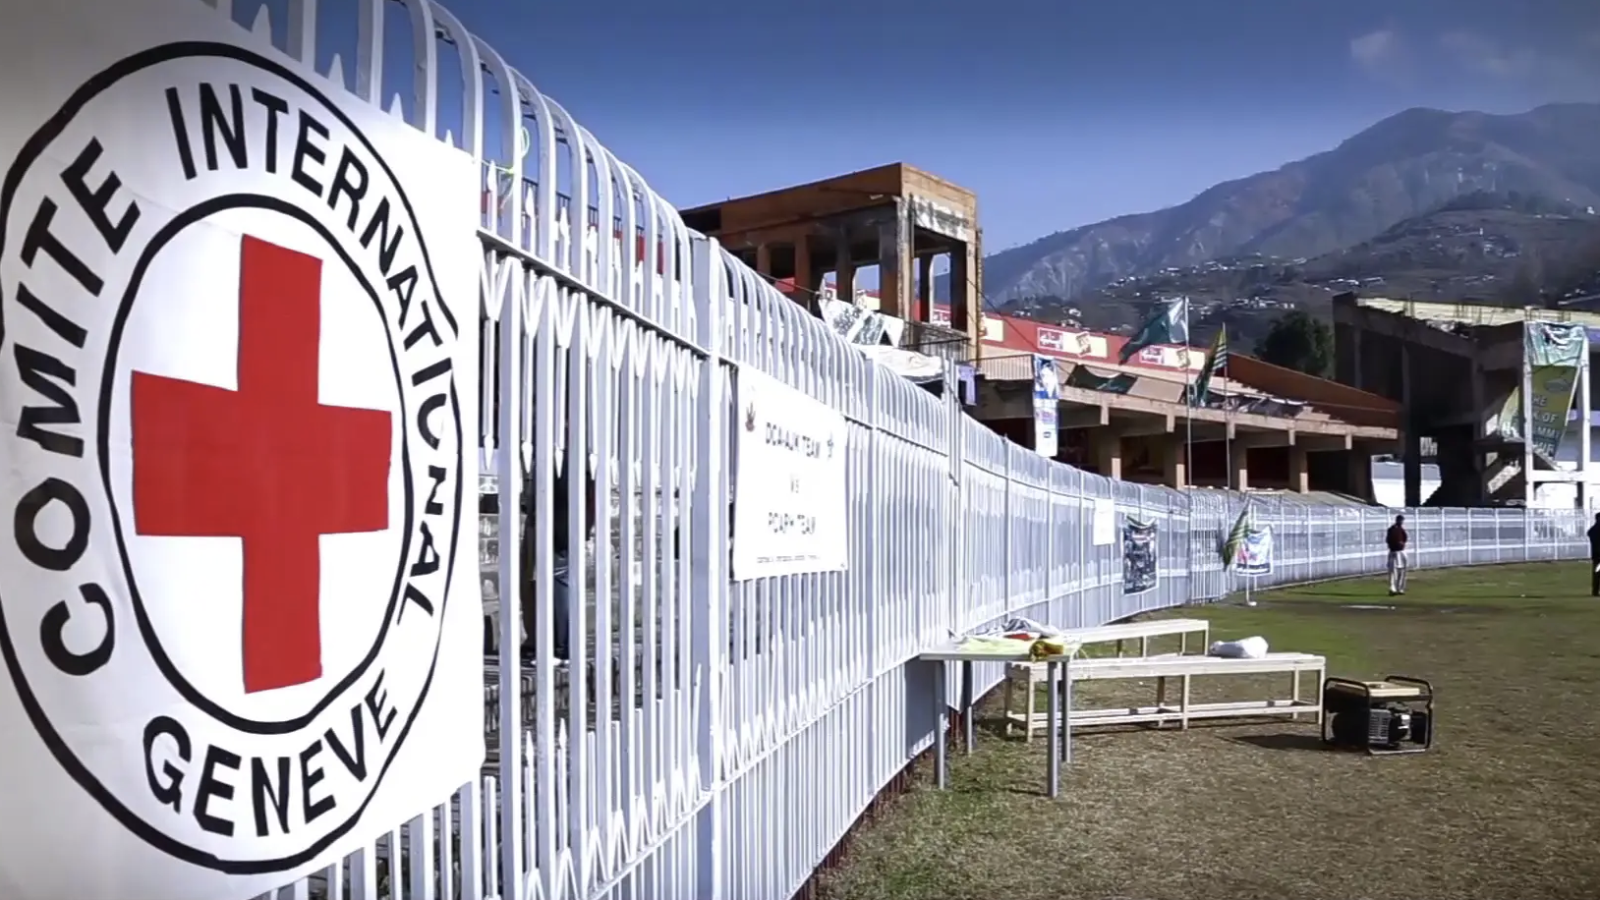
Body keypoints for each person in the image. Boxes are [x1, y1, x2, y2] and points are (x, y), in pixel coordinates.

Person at [1385, 514, 1408, 596]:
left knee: (1402, 570)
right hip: (1394, 552)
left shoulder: (1402, 530)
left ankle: (1400, 588)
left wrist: (1402, 543)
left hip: (1401, 551)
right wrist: (1395, 544)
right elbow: (1388, 540)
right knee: (1392, 571)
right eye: (1400, 520)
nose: (1401, 522)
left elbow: (1405, 538)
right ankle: (1392, 588)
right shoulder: (1392, 529)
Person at [1587, 513, 1600, 596]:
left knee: (1597, 573)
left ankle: (1595, 590)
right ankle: (1595, 591)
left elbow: (1589, 533)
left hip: (1596, 555)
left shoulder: (1593, 530)